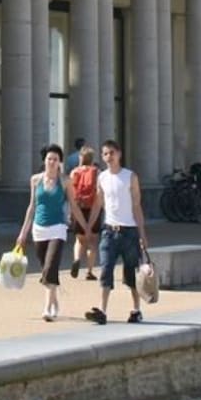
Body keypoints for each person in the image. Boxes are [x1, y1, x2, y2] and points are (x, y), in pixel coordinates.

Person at [87, 139, 147, 326]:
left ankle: (136, 309)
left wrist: (142, 234)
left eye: (111, 153)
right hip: (109, 231)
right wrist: (90, 226)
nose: (108, 157)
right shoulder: (102, 177)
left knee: (130, 273)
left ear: (119, 154)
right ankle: (102, 310)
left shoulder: (130, 177)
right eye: (105, 154)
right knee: (106, 269)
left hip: (129, 231)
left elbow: (137, 206)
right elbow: (98, 202)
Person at [15, 146, 71, 322]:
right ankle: (55, 299)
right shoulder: (35, 180)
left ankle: (47, 307)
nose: (52, 162)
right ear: (44, 161)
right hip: (39, 229)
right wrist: (23, 232)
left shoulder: (65, 181)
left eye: (55, 159)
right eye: (49, 159)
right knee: (46, 269)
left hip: (58, 228)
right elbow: (32, 206)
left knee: (50, 266)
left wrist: (83, 225)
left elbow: (73, 205)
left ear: (59, 162)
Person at [67, 143, 101, 281]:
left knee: (79, 240)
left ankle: (76, 259)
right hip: (92, 208)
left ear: (81, 157)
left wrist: (71, 212)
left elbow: (71, 194)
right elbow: (99, 193)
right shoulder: (97, 172)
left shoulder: (74, 172)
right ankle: (89, 271)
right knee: (92, 241)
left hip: (78, 208)